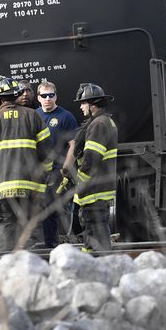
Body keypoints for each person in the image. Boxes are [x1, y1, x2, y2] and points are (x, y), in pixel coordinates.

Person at [0, 76, 52, 251]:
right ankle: (34, 266)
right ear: (17, 95)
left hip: (1, 187)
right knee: (31, 226)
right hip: (30, 186)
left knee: (7, 226)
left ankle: (8, 267)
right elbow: (47, 152)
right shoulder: (33, 116)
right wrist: (45, 174)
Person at [60, 83, 118, 252]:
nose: (80, 107)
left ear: (93, 105)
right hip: (98, 188)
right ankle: (93, 262)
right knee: (93, 233)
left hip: (94, 189)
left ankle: (98, 265)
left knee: (95, 233)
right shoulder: (103, 121)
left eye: (83, 103)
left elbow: (91, 159)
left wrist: (79, 182)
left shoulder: (99, 125)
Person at [36, 81, 79, 247]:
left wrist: (66, 167)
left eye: (51, 95)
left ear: (56, 96)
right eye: (44, 96)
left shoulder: (65, 116)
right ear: (38, 98)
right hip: (36, 170)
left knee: (49, 208)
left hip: (55, 171)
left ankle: (50, 243)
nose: (48, 99)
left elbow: (73, 144)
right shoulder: (34, 115)